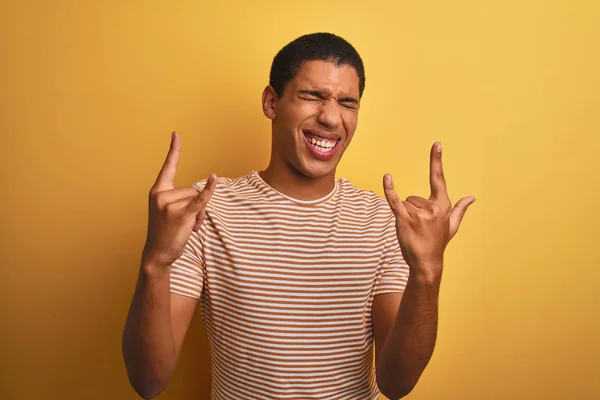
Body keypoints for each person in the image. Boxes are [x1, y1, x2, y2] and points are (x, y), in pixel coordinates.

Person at [122, 32, 475, 400]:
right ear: (272, 102)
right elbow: (149, 382)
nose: (330, 117)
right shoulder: (206, 211)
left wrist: (428, 272)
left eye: (347, 103)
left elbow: (397, 384)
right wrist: (155, 263)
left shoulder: (383, 221)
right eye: (313, 96)